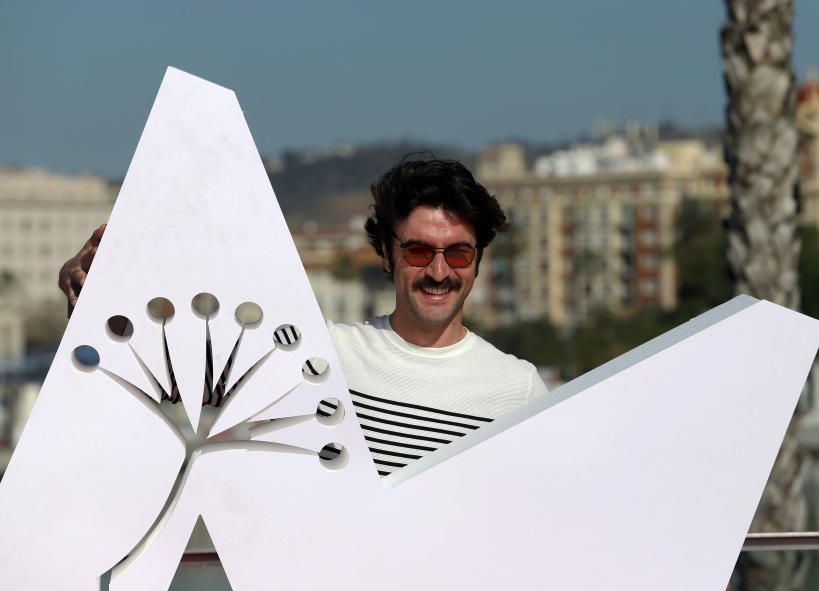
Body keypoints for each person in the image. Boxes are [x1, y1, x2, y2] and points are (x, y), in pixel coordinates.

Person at [59, 156, 547, 477]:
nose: (439, 271)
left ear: (479, 260)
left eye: (458, 254)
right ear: (385, 254)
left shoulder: (517, 389)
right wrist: (102, 293)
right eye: (419, 251)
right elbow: (179, 370)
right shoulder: (320, 356)